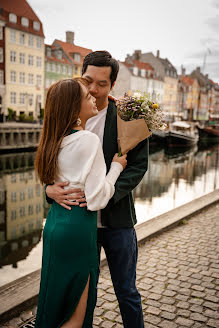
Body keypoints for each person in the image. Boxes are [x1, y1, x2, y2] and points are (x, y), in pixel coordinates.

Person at [46, 51, 149, 328]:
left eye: (102, 84)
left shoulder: (129, 117)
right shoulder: (65, 116)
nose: (93, 89)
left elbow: (138, 166)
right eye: (88, 81)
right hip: (81, 225)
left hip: (118, 222)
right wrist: (48, 190)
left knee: (126, 291)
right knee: (84, 295)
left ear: (112, 85)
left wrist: (106, 196)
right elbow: (50, 162)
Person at [35, 78, 127, 328]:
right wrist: (116, 168)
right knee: (75, 316)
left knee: (55, 304)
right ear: (74, 107)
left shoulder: (52, 141)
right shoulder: (88, 140)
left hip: (55, 224)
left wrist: (48, 190)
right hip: (78, 227)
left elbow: (53, 182)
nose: (93, 98)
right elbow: (97, 198)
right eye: (87, 96)